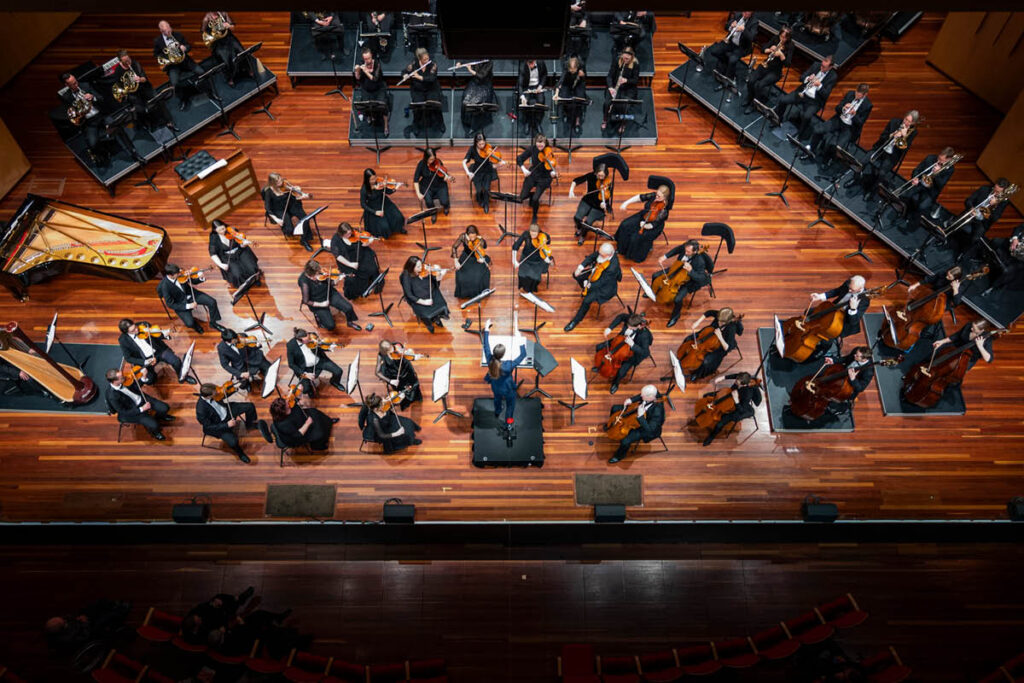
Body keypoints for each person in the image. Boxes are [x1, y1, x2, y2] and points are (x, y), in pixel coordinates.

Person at [846, 111, 919, 202]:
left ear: (913, 123)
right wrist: (892, 135)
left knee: (882, 173)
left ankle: (872, 191)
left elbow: (904, 150)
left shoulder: (913, 132)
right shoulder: (894, 122)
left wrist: (903, 137)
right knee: (863, 161)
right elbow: (882, 136)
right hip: (881, 148)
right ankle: (855, 180)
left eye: (909, 122)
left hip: (892, 156)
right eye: (906, 119)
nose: (906, 122)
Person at [195, 383, 272, 464]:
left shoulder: (213, 393)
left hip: (227, 410)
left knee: (250, 406)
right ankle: (240, 453)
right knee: (233, 441)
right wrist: (227, 425)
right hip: (219, 424)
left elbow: (222, 395)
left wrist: (234, 389)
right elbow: (208, 426)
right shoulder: (201, 410)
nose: (217, 392)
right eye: (215, 392)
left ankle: (250, 425)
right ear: (208, 396)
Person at [772, 56, 837, 140]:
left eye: (824, 67)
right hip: (802, 93)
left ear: (830, 67)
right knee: (783, 100)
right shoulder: (816, 65)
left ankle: (800, 136)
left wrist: (819, 86)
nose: (821, 68)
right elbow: (801, 77)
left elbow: (825, 95)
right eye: (821, 65)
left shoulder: (833, 76)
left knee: (807, 116)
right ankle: (777, 120)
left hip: (814, 101)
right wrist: (808, 78)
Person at [117, 318, 195, 385]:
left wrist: (164, 335)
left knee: (176, 361)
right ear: (126, 332)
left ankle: (182, 376)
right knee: (150, 380)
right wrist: (144, 362)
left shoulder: (144, 325)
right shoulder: (123, 340)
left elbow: (157, 336)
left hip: (159, 350)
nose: (136, 330)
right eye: (133, 330)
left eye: (135, 327)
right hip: (145, 359)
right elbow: (128, 358)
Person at [807, 83, 872, 162]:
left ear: (865, 95)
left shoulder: (867, 105)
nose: (856, 96)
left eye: (859, 95)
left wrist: (854, 115)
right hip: (838, 120)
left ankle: (829, 160)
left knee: (838, 146)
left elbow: (860, 123)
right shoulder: (850, 94)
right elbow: (837, 108)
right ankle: (811, 150)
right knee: (818, 130)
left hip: (849, 128)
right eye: (856, 93)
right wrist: (843, 108)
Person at [565, 242, 622, 332]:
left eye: (602, 255)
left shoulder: (613, 267)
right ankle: (585, 289)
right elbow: (592, 257)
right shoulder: (603, 252)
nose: (599, 255)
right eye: (600, 253)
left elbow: (602, 282)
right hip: (597, 272)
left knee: (586, 301)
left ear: (609, 255)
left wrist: (590, 285)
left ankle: (575, 321)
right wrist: (580, 267)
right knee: (576, 275)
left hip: (605, 287)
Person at [104, 368, 173, 441]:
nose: (124, 377)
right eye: (121, 377)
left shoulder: (124, 381)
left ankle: (159, 417)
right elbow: (123, 412)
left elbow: (135, 386)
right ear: (115, 381)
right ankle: (155, 433)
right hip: (133, 411)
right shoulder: (112, 396)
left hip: (142, 399)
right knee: (155, 425)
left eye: (123, 375)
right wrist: (142, 409)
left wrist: (143, 377)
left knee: (165, 408)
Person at [896, 147, 956, 229]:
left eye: (942, 160)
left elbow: (940, 184)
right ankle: (904, 214)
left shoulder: (950, 169)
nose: (939, 161)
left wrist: (937, 173)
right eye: (939, 158)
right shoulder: (930, 158)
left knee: (921, 206)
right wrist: (915, 178)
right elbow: (917, 170)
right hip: (920, 183)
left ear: (948, 160)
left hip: (931, 191)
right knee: (906, 195)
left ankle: (912, 224)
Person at [112, 49, 174, 130]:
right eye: (125, 61)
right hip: (133, 94)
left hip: (145, 88)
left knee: (158, 101)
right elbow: (120, 86)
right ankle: (151, 124)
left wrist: (140, 79)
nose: (128, 62)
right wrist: (126, 90)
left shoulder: (135, 64)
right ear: (120, 61)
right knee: (141, 110)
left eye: (128, 59)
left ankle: (169, 121)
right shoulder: (118, 71)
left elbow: (145, 79)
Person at [658, 240, 714, 327]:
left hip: (688, 281)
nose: (685, 252)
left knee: (677, 299)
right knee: (655, 275)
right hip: (677, 268)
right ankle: (655, 291)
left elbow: (701, 279)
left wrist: (691, 271)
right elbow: (677, 249)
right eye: (685, 250)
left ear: (695, 251)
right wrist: (664, 257)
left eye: (688, 252)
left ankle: (675, 316)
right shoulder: (686, 247)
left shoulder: (700, 261)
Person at [482, 319, 528, 424]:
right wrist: (519, 338)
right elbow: (523, 355)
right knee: (510, 406)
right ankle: (508, 422)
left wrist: (486, 329)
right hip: (508, 389)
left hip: (495, 387)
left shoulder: (490, 359)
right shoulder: (508, 365)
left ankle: (497, 411)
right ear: (503, 355)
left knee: (497, 399)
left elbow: (486, 345)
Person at [153, 20, 204, 111]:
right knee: (175, 83)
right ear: (161, 31)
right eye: (166, 31)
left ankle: (206, 91)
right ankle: (183, 100)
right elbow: (156, 54)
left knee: (201, 72)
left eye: (169, 29)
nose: (169, 32)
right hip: (173, 66)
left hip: (185, 61)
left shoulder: (177, 35)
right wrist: (167, 57)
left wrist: (185, 48)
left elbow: (189, 46)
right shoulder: (158, 41)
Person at [158, 264, 223, 335]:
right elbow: (170, 304)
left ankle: (213, 323)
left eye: (179, 272)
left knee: (212, 302)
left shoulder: (181, 272)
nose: (180, 274)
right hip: (180, 303)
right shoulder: (165, 286)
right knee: (190, 323)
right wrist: (188, 306)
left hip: (191, 294)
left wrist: (200, 278)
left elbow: (193, 281)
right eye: (177, 274)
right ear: (170, 275)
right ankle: (196, 327)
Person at [701, 371, 761, 446]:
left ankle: (711, 437)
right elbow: (736, 375)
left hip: (740, 406)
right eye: (736, 380)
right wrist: (723, 378)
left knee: (719, 424)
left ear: (744, 384)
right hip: (734, 393)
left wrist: (736, 401)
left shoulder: (747, 394)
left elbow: (741, 410)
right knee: (706, 395)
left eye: (737, 382)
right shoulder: (744, 377)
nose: (735, 382)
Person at [298, 260, 360, 332]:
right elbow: (306, 301)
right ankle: (319, 317)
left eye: (319, 272)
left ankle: (350, 322)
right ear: (311, 275)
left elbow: (332, 283)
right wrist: (322, 304)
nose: (320, 274)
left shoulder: (320, 274)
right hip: (317, 301)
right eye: (317, 273)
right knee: (331, 326)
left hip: (330, 294)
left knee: (348, 307)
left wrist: (337, 279)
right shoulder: (304, 282)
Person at [741, 25, 793, 113]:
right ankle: (750, 97)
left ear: (788, 38)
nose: (782, 39)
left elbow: (787, 64)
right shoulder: (776, 38)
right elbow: (763, 49)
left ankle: (753, 104)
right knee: (751, 80)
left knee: (760, 85)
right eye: (781, 36)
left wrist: (781, 55)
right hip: (766, 64)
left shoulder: (791, 46)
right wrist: (769, 50)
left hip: (775, 71)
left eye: (784, 37)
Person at [608, 384, 664, 464]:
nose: (641, 396)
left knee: (625, 441)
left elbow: (650, 429)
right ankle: (613, 424)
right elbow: (641, 395)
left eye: (643, 395)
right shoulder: (653, 392)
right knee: (615, 408)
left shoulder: (657, 411)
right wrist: (631, 400)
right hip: (638, 410)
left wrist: (641, 416)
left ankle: (619, 456)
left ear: (651, 397)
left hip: (645, 426)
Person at [956, 178, 1013, 256]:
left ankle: (962, 254)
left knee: (975, 239)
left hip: (982, 222)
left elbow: (994, 218)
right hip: (971, 213)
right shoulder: (984, 189)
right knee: (955, 223)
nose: (994, 192)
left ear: (1003, 192)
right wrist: (971, 208)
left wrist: (992, 206)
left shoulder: (1003, 201)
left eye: (997, 192)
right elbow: (968, 200)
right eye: (994, 189)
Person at [683, 308, 744, 380]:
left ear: (727, 322)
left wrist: (720, 337)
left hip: (721, 345)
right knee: (688, 339)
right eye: (718, 321)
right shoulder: (721, 315)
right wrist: (697, 322)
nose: (719, 323)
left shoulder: (731, 329)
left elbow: (727, 348)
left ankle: (697, 374)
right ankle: (684, 356)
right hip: (709, 332)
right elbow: (708, 312)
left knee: (706, 361)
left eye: (722, 322)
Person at [59, 72, 106, 165]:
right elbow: (70, 114)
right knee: (93, 144)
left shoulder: (85, 86)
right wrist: (77, 112)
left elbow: (101, 98)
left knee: (118, 124)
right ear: (67, 85)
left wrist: (93, 97)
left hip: (100, 116)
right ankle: (102, 157)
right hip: (89, 123)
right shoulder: (66, 97)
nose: (76, 85)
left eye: (76, 81)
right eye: (73, 84)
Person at [599, 313, 652, 395]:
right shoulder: (632, 319)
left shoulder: (644, 335)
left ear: (638, 326)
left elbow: (646, 353)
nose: (628, 328)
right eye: (628, 326)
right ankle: (601, 365)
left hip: (632, 353)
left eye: (631, 327)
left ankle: (615, 383)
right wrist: (610, 328)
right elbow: (620, 316)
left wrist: (633, 345)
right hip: (620, 340)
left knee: (621, 372)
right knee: (599, 347)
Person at [810, 275, 870, 346]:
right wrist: (820, 296)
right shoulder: (848, 283)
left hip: (844, 321)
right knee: (810, 312)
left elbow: (854, 321)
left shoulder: (865, 300)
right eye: (849, 288)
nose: (849, 291)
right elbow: (837, 291)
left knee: (826, 342)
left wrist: (853, 309)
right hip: (833, 309)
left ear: (860, 289)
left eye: (852, 290)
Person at [616, 184, 670, 262]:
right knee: (625, 224)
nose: (656, 197)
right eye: (657, 194)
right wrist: (626, 203)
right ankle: (621, 249)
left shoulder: (664, 211)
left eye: (659, 196)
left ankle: (631, 255)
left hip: (653, 226)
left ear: (664, 197)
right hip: (644, 215)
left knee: (635, 237)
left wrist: (645, 225)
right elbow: (639, 197)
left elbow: (654, 224)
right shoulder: (653, 195)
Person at [286, 327, 345, 396]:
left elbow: (319, 346)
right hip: (305, 369)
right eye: (307, 340)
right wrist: (305, 374)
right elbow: (291, 364)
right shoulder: (291, 345)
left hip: (320, 361)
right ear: (300, 340)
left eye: (309, 337)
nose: (310, 340)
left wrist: (329, 347)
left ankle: (334, 382)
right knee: (306, 390)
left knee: (338, 371)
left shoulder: (312, 336)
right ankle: (310, 390)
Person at [399, 255, 450, 333]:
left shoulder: (425, 269)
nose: (421, 268)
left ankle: (436, 318)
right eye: (418, 267)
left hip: (430, 292)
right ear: (411, 267)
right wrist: (424, 302)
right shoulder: (406, 276)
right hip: (418, 299)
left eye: (421, 264)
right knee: (426, 313)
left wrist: (440, 274)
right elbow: (409, 295)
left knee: (442, 304)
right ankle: (428, 323)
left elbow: (436, 280)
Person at [263, 172, 313, 251]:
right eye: (278, 182)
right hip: (279, 209)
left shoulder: (285, 184)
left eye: (281, 179)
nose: (281, 182)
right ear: (273, 183)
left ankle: (304, 240)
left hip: (290, 204)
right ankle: (292, 230)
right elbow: (267, 208)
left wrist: (302, 196)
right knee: (289, 230)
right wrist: (276, 219)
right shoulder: (268, 192)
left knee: (305, 218)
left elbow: (294, 197)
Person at [330, 222, 380, 300]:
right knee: (354, 278)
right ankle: (363, 287)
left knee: (371, 267)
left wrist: (367, 242)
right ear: (341, 233)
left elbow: (362, 244)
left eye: (350, 233)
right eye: (347, 234)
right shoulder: (335, 240)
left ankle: (372, 281)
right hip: (347, 261)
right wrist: (350, 264)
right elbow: (338, 257)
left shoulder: (355, 233)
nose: (350, 235)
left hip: (360, 253)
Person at [819, 346, 875, 415]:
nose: (854, 355)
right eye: (856, 353)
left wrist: (853, 379)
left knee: (832, 403)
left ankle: (845, 406)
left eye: (857, 356)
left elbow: (860, 388)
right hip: (843, 373)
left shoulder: (868, 372)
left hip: (849, 386)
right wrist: (833, 360)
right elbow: (846, 359)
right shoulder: (856, 351)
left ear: (864, 359)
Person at [702, 11, 757, 81]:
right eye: (743, 12)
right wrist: (731, 25)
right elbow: (726, 26)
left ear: (751, 12)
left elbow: (751, 38)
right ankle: (726, 62)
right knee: (714, 51)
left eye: (747, 12)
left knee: (732, 59)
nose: (744, 14)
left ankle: (729, 78)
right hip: (730, 42)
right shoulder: (738, 15)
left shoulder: (754, 22)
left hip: (742, 47)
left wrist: (744, 30)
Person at [269, 397, 336, 452]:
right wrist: (307, 423)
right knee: (320, 434)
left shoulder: (283, 411)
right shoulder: (284, 425)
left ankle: (329, 421)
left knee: (314, 411)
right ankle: (318, 446)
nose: (287, 401)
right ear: (284, 410)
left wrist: (298, 397)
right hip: (298, 436)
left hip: (301, 419)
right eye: (286, 403)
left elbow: (294, 401)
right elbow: (298, 434)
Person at [517, 133, 558, 222]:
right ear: (535, 143)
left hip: (545, 177)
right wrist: (524, 170)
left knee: (535, 200)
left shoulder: (548, 151)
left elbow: (552, 164)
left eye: (541, 144)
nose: (540, 146)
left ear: (545, 143)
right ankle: (532, 195)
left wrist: (552, 173)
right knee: (522, 197)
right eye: (538, 144)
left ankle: (534, 216)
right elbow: (519, 158)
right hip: (533, 174)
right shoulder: (532, 149)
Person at [209, 219, 260, 288]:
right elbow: (213, 253)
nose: (223, 231)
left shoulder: (232, 230)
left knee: (252, 267)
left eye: (223, 228)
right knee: (237, 274)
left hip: (240, 251)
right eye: (220, 230)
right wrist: (221, 264)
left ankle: (255, 279)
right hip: (227, 256)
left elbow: (241, 244)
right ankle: (244, 286)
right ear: (215, 230)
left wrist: (244, 244)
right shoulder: (213, 238)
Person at [201, 12, 248, 86]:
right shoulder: (206, 19)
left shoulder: (223, 14)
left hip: (229, 37)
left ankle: (246, 69)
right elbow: (203, 31)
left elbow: (233, 28)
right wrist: (214, 32)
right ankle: (230, 78)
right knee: (226, 58)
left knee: (241, 51)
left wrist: (229, 26)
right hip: (217, 41)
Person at [462, 132, 505, 213]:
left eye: (483, 143)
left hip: (487, 170)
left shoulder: (488, 148)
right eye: (480, 144)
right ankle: (480, 199)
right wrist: (468, 172)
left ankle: (486, 204)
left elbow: (493, 165)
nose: (482, 146)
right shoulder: (472, 149)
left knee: (486, 189)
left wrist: (500, 164)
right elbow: (463, 162)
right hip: (477, 171)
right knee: (478, 191)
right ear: (476, 143)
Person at [353, 45, 390, 136]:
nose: (368, 61)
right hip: (366, 89)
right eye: (365, 59)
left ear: (371, 56)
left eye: (369, 58)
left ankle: (386, 126)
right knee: (366, 105)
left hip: (378, 88)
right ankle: (369, 116)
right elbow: (358, 78)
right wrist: (357, 71)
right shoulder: (361, 63)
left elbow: (375, 79)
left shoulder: (377, 64)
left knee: (382, 106)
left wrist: (365, 71)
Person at [570, 164, 611, 245]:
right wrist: (571, 190)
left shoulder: (608, 182)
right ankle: (579, 229)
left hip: (598, 206)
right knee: (577, 218)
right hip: (588, 200)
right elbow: (577, 180)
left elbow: (608, 196)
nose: (601, 178)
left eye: (603, 176)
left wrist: (604, 204)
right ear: (596, 173)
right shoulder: (591, 176)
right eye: (599, 175)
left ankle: (583, 236)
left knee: (587, 223)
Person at [375, 340, 424, 408]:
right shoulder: (381, 355)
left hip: (406, 369)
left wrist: (413, 357)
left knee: (413, 384)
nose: (393, 350)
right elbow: (377, 372)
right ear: (385, 351)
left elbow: (406, 355)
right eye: (389, 350)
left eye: (391, 347)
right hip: (394, 375)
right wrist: (390, 381)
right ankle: (405, 401)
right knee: (401, 390)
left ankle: (415, 397)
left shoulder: (397, 345)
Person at [404, 47, 442, 133]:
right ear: (419, 59)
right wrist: (405, 75)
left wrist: (419, 77)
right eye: (424, 59)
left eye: (427, 58)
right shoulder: (413, 64)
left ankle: (440, 122)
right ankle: (416, 124)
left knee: (435, 105)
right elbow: (404, 71)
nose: (427, 60)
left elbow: (431, 79)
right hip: (418, 90)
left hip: (431, 88)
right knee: (417, 107)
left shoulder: (433, 65)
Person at [980, 222, 1024, 297]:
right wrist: (1015, 239)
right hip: (1014, 245)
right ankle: (984, 262)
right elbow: (1018, 228)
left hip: (1020, 259)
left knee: (1007, 271)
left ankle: (993, 287)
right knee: (996, 241)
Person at [360, 168, 406, 238]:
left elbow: (388, 192)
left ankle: (398, 228)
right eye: (371, 179)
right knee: (384, 226)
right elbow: (363, 204)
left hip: (384, 202)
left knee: (398, 217)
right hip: (374, 207)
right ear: (367, 180)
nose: (374, 180)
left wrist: (395, 188)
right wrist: (375, 212)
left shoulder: (380, 182)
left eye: (375, 178)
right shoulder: (364, 189)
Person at [603, 48, 639, 132]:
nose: (625, 60)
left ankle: (623, 123)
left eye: (627, 59)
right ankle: (605, 119)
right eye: (624, 58)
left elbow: (635, 80)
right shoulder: (617, 60)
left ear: (632, 57)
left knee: (625, 105)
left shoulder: (635, 64)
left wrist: (626, 80)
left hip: (628, 88)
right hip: (614, 87)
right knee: (607, 103)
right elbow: (609, 76)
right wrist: (610, 87)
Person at [451, 225, 491, 299]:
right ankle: (464, 293)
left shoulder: (479, 239)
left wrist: (481, 239)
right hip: (466, 256)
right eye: (470, 236)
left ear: (476, 234)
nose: (472, 238)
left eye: (474, 236)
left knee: (477, 277)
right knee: (462, 276)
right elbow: (454, 247)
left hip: (477, 257)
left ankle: (478, 293)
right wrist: (456, 261)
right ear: (467, 234)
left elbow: (485, 246)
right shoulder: (463, 237)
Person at [512, 223, 554, 294]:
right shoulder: (526, 234)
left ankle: (530, 289)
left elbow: (548, 243)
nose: (533, 235)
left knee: (534, 277)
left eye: (535, 233)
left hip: (537, 260)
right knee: (522, 274)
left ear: (538, 232)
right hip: (525, 258)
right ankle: (525, 288)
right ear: (529, 231)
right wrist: (514, 260)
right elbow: (516, 246)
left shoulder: (543, 236)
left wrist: (546, 257)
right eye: (531, 232)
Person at [414, 147, 453, 221]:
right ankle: (433, 212)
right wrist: (418, 193)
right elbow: (415, 180)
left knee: (444, 201)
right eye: (430, 159)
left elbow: (443, 174)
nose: (432, 161)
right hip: (426, 186)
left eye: (433, 158)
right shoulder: (421, 164)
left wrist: (446, 177)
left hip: (439, 185)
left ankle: (446, 206)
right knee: (428, 202)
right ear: (426, 158)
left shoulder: (438, 162)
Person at [459, 59, 496, 132]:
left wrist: (470, 70)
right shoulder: (476, 57)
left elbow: (482, 76)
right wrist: (461, 63)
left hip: (484, 85)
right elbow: (468, 60)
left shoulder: (489, 62)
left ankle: (475, 126)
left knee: (477, 104)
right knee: (465, 101)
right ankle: (468, 123)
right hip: (475, 83)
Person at [556, 56, 587, 135]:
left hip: (579, 82)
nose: (572, 71)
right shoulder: (566, 66)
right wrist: (557, 93)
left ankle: (577, 119)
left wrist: (582, 75)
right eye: (571, 70)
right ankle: (566, 113)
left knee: (580, 98)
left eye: (574, 70)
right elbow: (561, 80)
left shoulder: (581, 65)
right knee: (564, 96)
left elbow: (585, 78)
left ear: (577, 67)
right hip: (567, 82)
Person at [517, 58, 549, 134]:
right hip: (527, 87)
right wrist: (522, 97)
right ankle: (528, 122)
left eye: (532, 64)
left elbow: (544, 74)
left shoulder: (541, 62)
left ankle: (537, 122)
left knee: (541, 101)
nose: (531, 66)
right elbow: (520, 84)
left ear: (535, 61)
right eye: (529, 64)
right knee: (526, 103)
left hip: (537, 86)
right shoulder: (522, 66)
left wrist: (540, 86)